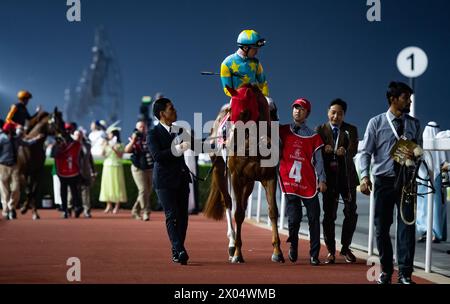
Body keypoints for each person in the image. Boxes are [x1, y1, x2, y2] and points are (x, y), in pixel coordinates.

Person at [360, 81, 422, 284]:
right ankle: (386, 270)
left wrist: (415, 156)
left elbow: (418, 152)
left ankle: (405, 273)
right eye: (406, 98)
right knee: (381, 227)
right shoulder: (376, 123)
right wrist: (364, 176)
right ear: (393, 99)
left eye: (409, 98)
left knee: (407, 228)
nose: (409, 101)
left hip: (407, 183)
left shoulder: (414, 124)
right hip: (383, 181)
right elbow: (365, 152)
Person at [279, 98, 327, 266]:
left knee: (314, 218)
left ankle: (314, 255)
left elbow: (319, 161)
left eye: (301, 109)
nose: (297, 111)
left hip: (308, 184)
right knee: (294, 219)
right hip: (290, 183)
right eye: (295, 108)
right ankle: (293, 245)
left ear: (307, 113)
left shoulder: (314, 137)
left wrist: (322, 180)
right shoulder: (282, 130)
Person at [148, 97, 192, 265]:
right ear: (162, 114)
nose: (175, 111)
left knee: (183, 218)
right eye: (171, 109)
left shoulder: (180, 130)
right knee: (171, 216)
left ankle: (177, 249)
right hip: (164, 181)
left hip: (182, 179)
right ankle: (179, 249)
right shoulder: (153, 133)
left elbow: (195, 144)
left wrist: (219, 142)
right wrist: (177, 149)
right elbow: (157, 156)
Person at [316, 98, 359, 264]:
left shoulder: (351, 130)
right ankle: (330, 251)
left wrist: (345, 150)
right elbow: (315, 152)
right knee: (329, 215)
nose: (336, 116)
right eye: (333, 112)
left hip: (347, 178)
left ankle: (346, 248)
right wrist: (323, 149)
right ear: (328, 113)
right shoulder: (320, 129)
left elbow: (354, 149)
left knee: (351, 213)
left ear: (344, 115)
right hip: (329, 179)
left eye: (339, 114)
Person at [220, 30, 270, 120]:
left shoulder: (256, 63)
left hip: (255, 97)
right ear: (245, 48)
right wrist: (239, 96)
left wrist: (264, 96)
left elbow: (263, 82)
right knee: (226, 111)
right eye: (254, 49)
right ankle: (225, 132)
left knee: (271, 104)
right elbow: (226, 88)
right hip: (237, 98)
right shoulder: (226, 63)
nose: (256, 52)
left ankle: (274, 130)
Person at [0, 122, 42, 220]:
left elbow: (26, 143)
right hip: (3, 166)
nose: (15, 131)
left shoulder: (16, 139)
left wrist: (36, 139)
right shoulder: (1, 138)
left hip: (14, 166)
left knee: (16, 189)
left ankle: (11, 206)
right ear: (9, 130)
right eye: (13, 129)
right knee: (4, 191)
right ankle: (6, 210)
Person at [416, 122, 447, 243]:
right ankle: (427, 232)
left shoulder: (437, 141)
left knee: (432, 206)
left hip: (429, 178)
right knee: (429, 206)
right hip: (428, 178)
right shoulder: (426, 141)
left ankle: (434, 233)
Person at [124, 120, 154, 221]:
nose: (142, 129)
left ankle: (135, 210)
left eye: (144, 127)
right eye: (140, 127)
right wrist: (133, 140)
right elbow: (127, 150)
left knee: (147, 191)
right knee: (143, 190)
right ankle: (146, 212)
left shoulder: (150, 137)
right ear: (137, 128)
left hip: (150, 167)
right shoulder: (134, 138)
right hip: (138, 168)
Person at [52, 124, 83, 219]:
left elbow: (80, 155)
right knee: (66, 191)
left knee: (73, 191)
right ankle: (66, 209)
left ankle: (75, 207)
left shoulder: (74, 143)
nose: (68, 132)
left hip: (71, 171)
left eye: (69, 130)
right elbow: (53, 154)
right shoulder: (59, 144)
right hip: (64, 171)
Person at [99, 127, 127, 214]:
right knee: (107, 186)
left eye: (110, 134)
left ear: (114, 135)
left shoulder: (120, 144)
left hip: (116, 166)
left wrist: (113, 148)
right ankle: (109, 205)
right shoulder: (106, 143)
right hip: (107, 166)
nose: (108, 135)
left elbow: (120, 156)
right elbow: (102, 154)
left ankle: (117, 206)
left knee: (117, 186)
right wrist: (104, 145)